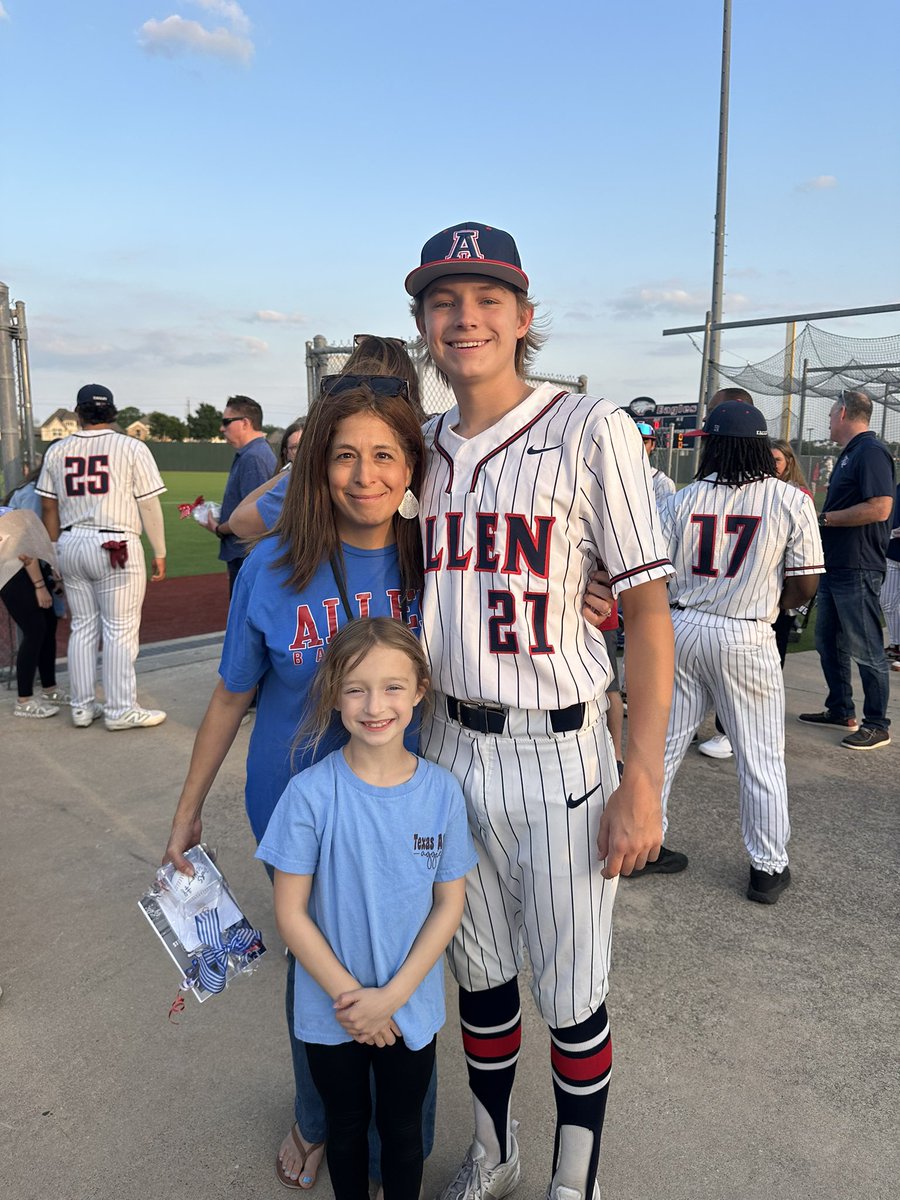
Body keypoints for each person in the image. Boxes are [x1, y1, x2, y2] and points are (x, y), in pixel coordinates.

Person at [406, 221, 674, 1200]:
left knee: (571, 1000)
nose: (463, 317)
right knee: (478, 981)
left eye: (485, 299)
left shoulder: (588, 426)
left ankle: (576, 1182)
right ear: (425, 325)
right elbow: (304, 500)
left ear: (523, 319)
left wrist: (642, 774)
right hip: (442, 746)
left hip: (558, 752)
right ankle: (494, 1153)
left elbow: (646, 612)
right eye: (443, 301)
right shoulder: (419, 447)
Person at [163, 347, 430, 1191]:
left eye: (384, 455)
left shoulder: (437, 565)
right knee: (312, 968)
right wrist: (187, 810)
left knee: (405, 967)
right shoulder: (274, 569)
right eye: (343, 455)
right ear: (314, 464)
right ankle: (316, 1117)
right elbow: (228, 698)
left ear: (412, 465)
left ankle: (402, 1139)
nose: (363, 476)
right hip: (299, 812)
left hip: (405, 809)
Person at [257, 618, 475, 1200]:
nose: (374, 705)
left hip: (409, 1008)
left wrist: (392, 999)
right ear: (334, 694)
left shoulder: (441, 793)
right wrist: (356, 1004)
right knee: (347, 1129)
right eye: (355, 688)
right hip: (332, 1013)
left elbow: (447, 904)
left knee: (403, 1134)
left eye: (392, 687)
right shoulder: (309, 794)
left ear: (421, 689)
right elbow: (291, 914)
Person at [631, 401, 823, 902]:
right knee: (759, 756)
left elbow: (658, 572)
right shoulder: (790, 499)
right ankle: (767, 867)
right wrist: (773, 604)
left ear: (714, 444)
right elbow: (806, 583)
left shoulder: (682, 498)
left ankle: (644, 846)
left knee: (663, 746)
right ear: (761, 446)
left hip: (683, 625)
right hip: (746, 632)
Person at [36, 384, 167, 730]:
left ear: (77, 413)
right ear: (112, 412)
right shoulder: (131, 447)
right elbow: (148, 503)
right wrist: (160, 551)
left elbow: (48, 505)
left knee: (82, 627)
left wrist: (52, 553)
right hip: (116, 544)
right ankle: (121, 709)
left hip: (71, 541)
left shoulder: (57, 450)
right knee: (120, 630)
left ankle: (81, 706)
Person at [798, 390, 895, 750]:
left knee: (866, 646)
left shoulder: (869, 451)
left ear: (842, 412)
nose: (827, 421)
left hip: (857, 564)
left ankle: (877, 723)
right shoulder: (853, 452)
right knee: (828, 642)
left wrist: (822, 518)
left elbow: (880, 508)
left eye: (829, 415)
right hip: (837, 564)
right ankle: (840, 708)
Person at [206, 395, 277, 596]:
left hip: (247, 555)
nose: (222, 428)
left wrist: (219, 528)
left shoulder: (254, 457)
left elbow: (256, 518)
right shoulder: (251, 454)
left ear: (245, 423)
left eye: (227, 422)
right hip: (245, 554)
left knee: (242, 621)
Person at [635, 421, 675, 510]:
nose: (638, 446)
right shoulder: (614, 476)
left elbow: (663, 521)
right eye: (633, 441)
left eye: (644, 443)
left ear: (653, 445)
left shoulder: (662, 483)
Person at [882, 480, 900, 669]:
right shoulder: (894, 490)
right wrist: (892, 533)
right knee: (886, 601)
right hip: (893, 554)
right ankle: (895, 645)